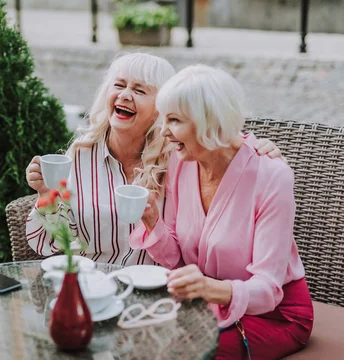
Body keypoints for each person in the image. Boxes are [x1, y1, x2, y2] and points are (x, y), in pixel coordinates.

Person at [25, 53, 282, 266]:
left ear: (163, 108)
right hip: (93, 286)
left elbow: (218, 136)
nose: (125, 95)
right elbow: (48, 243)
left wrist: (258, 148)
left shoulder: (178, 158)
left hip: (154, 292)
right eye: (119, 85)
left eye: (139, 90)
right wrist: (46, 195)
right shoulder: (81, 156)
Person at [130, 64, 313, 359]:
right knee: (136, 335)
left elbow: (268, 290)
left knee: (181, 352)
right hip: (209, 307)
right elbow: (177, 258)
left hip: (275, 316)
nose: (163, 131)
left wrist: (208, 288)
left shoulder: (271, 175)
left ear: (208, 123)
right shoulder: (181, 161)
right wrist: (154, 224)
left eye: (174, 120)